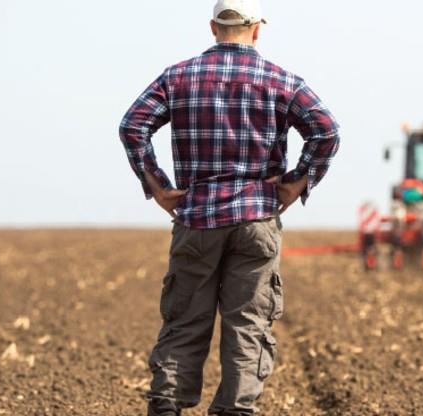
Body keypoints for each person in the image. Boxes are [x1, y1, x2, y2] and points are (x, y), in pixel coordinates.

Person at [118, 1, 340, 414]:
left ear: (212, 28)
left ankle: (167, 406)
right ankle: (235, 409)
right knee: (248, 326)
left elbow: (133, 126)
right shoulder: (282, 81)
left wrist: (160, 187)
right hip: (257, 219)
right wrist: (296, 183)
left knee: (185, 321)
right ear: (257, 30)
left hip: (197, 218)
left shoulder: (177, 77)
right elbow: (326, 130)